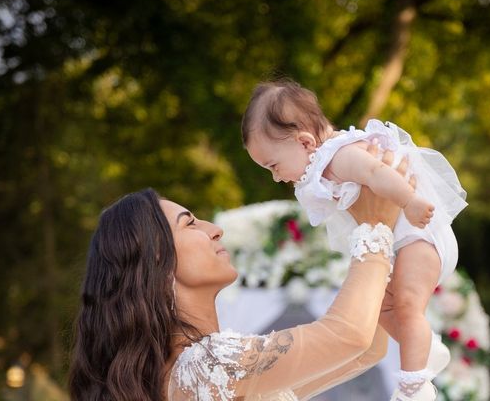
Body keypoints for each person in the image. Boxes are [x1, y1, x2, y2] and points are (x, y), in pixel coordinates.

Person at [68, 144, 411, 401]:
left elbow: (360, 353)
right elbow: (347, 336)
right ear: (159, 261)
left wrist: (382, 274)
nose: (214, 229)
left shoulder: (200, 370)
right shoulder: (205, 366)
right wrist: (375, 225)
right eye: (189, 223)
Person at [242, 78, 468, 401]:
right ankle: (424, 346)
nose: (276, 177)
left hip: (420, 235)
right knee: (381, 307)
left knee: (405, 304)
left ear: (305, 142)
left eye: (273, 165)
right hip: (401, 242)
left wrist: (410, 201)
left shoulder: (341, 156)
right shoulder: (322, 168)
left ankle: (414, 386)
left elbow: (378, 173)